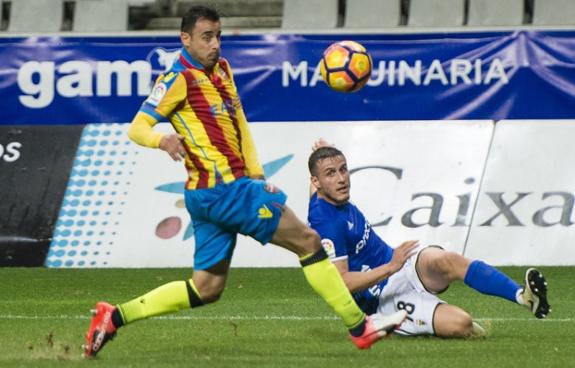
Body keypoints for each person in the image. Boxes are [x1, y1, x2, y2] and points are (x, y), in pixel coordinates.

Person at [82, 6, 407, 358]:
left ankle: (113, 316)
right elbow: (137, 127)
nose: (215, 44)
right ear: (185, 39)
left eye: (218, 35)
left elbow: (239, 124)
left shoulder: (222, 69)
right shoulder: (177, 79)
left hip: (212, 196)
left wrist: (257, 177)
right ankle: (360, 327)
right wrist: (162, 140)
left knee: (206, 288)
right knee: (309, 241)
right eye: (207, 37)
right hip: (224, 191)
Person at [307, 139, 551, 338]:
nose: (341, 179)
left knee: (447, 261)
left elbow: (315, 195)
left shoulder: (325, 198)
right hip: (382, 298)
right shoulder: (326, 223)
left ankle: (524, 297)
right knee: (462, 324)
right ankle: (401, 323)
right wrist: (390, 267)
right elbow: (342, 283)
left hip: (400, 265)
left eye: (343, 169)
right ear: (317, 182)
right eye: (330, 173)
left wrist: (320, 156)